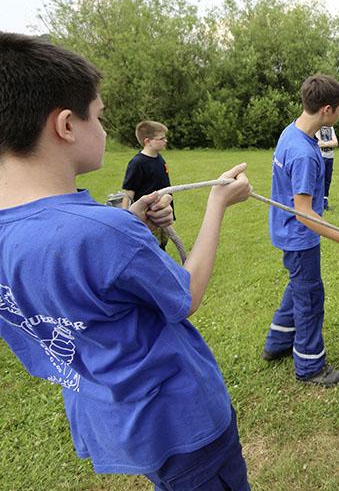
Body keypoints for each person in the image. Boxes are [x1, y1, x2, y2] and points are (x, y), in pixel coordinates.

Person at [0, 32, 254, 488]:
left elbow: (75, 285)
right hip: (182, 421)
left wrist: (133, 221)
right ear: (65, 125)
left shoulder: (56, 230)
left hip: (114, 418)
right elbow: (187, 295)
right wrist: (217, 204)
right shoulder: (102, 232)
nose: (103, 128)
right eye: (98, 116)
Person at [262, 74, 339, 386]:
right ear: (326, 110)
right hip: (298, 237)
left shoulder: (292, 132)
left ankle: (277, 343)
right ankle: (310, 366)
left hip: (287, 233)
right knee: (310, 297)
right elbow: (304, 214)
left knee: (299, 286)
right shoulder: (303, 153)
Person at [122, 120, 174, 249]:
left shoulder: (159, 158)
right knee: (151, 246)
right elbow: (128, 192)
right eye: (161, 138)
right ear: (147, 141)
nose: (165, 140)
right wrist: (124, 216)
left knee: (162, 243)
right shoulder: (137, 163)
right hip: (148, 216)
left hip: (163, 213)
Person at [315, 125, 338, 210]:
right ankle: (317, 203)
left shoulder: (331, 128)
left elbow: (336, 142)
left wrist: (325, 143)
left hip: (330, 157)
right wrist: (330, 143)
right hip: (321, 157)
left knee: (328, 180)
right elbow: (318, 143)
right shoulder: (317, 127)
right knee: (320, 179)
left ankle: (325, 203)